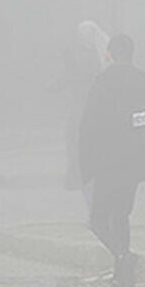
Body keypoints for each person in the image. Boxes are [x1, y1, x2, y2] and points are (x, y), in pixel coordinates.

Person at [79, 34, 145, 287]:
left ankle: (122, 257)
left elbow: (88, 126)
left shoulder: (102, 83)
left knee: (97, 220)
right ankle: (121, 280)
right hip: (132, 162)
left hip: (108, 162)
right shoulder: (140, 81)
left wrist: (85, 166)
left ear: (108, 54)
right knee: (121, 216)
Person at [50, 21, 109, 190]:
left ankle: (80, 175)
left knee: (76, 139)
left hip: (87, 105)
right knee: (75, 139)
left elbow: (71, 75)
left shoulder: (94, 55)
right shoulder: (89, 53)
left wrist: (55, 86)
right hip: (87, 104)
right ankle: (78, 174)